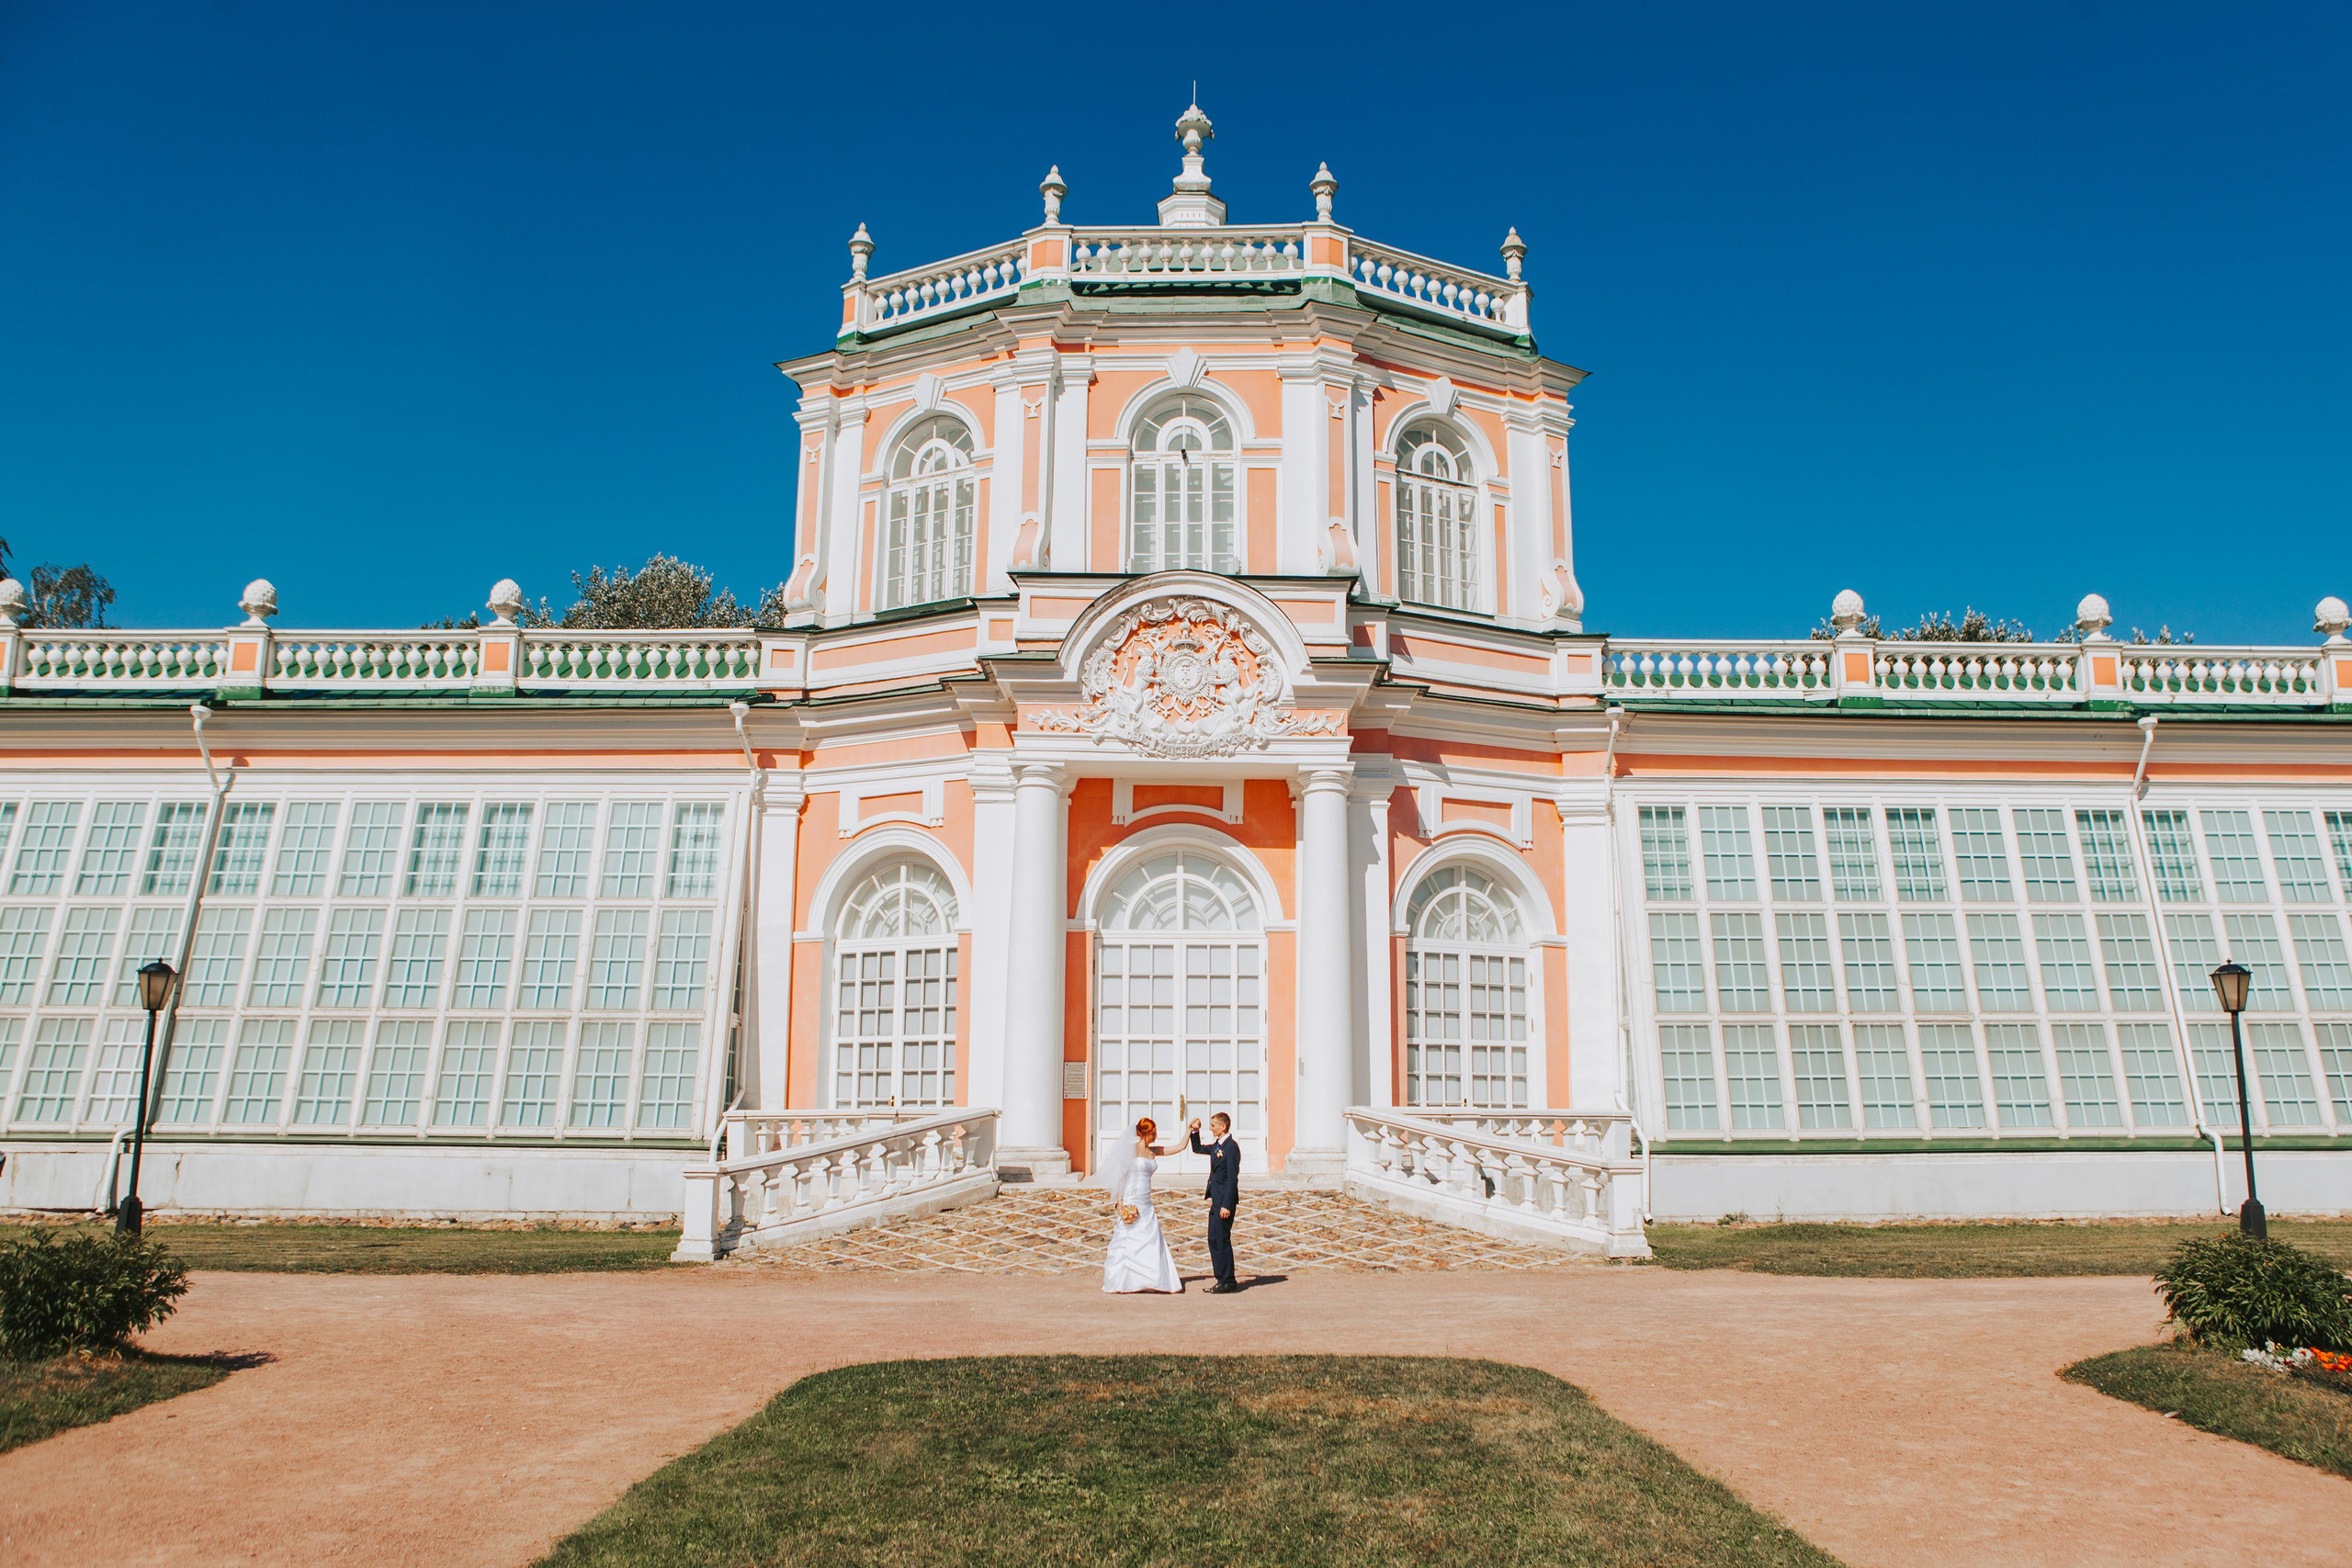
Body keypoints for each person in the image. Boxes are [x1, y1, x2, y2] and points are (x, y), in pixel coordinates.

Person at [1101, 1116, 1182, 1294]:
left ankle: (1151, 1279)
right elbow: (1122, 1175)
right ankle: (1126, 1281)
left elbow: (1179, 1147)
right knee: (1129, 1239)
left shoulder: (1153, 1152)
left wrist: (1190, 1130)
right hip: (1131, 1198)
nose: (1156, 1136)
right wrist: (1120, 1201)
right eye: (1153, 1133)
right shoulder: (1130, 1151)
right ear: (1145, 1133)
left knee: (1150, 1238)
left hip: (1146, 1201)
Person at [1187, 1112, 1241, 1292]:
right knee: (1213, 1238)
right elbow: (1197, 1148)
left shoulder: (1231, 1147)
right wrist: (1195, 1132)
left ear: (1222, 1127)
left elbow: (1233, 1178)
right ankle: (1221, 1278)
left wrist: (1227, 1204)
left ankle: (1228, 1281)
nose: (1211, 1129)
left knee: (1221, 1239)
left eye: (1213, 1126)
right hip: (1216, 1199)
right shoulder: (1218, 1145)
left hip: (1224, 1201)